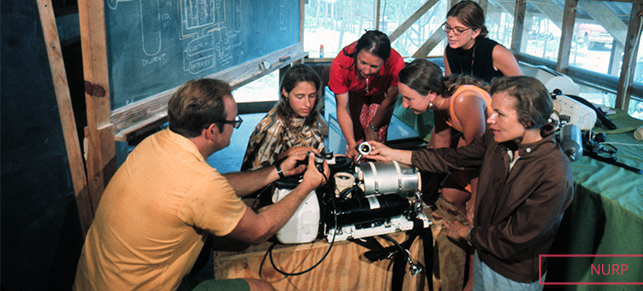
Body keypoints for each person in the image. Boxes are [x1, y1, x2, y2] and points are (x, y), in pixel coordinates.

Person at [73, 78, 329, 291]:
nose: (235, 127)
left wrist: (278, 171)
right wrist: (305, 187)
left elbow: (214, 187)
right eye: (233, 122)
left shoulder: (155, 144)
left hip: (93, 282)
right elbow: (258, 230)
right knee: (263, 289)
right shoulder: (202, 185)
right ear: (211, 132)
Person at [368, 76, 573, 291]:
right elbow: (452, 159)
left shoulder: (554, 174)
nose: (490, 119)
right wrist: (393, 154)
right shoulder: (498, 140)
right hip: (484, 256)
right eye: (492, 111)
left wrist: (466, 233)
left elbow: (516, 238)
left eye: (500, 114)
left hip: (513, 275)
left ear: (528, 120)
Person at [397, 59, 491, 214]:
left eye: (409, 98)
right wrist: (431, 183)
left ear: (431, 94)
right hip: (478, 154)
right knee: (450, 195)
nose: (405, 105)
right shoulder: (439, 104)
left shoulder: (464, 100)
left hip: (498, 155)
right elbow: (441, 143)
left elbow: (475, 157)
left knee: (467, 202)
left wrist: (476, 198)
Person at [328, 30, 405, 160]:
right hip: (355, 91)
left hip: (381, 93)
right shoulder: (341, 63)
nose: (367, 70)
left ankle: (376, 169)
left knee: (377, 139)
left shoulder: (396, 63)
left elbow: (390, 99)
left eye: (374, 66)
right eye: (363, 62)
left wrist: (372, 127)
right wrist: (352, 144)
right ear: (356, 53)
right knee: (356, 138)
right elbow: (342, 107)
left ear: (385, 61)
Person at [242, 64, 324, 171]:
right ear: (285, 92)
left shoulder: (304, 115)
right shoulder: (272, 130)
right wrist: (286, 155)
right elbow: (254, 178)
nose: (308, 104)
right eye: (300, 97)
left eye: (312, 96)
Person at [442, 0, 522, 82]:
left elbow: (522, 88)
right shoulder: (449, 50)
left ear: (476, 32)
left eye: (459, 30)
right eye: (448, 27)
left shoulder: (497, 52)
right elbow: (449, 85)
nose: (450, 34)